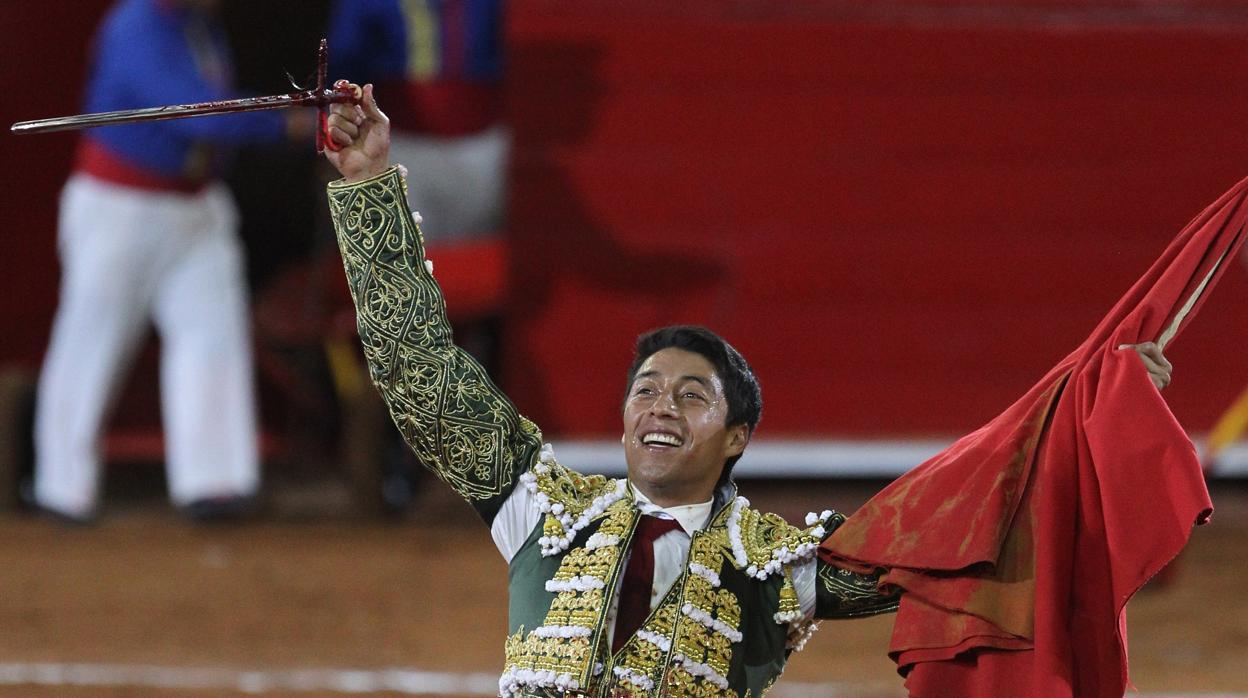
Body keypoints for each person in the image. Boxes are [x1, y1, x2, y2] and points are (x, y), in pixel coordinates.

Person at [321, 84, 1175, 695]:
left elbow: (956, 540)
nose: (660, 405)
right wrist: (366, 184)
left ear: (736, 437)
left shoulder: (778, 568)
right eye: (646, 390)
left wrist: (1106, 420)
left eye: (692, 396)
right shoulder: (545, 509)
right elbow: (419, 370)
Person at [32, 0, 312, 522]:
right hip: (121, 205)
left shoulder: (199, 26)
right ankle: (60, 489)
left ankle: (216, 484)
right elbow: (194, 114)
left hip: (196, 204)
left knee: (212, 337)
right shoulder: (136, 25)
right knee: (90, 343)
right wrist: (290, 124)